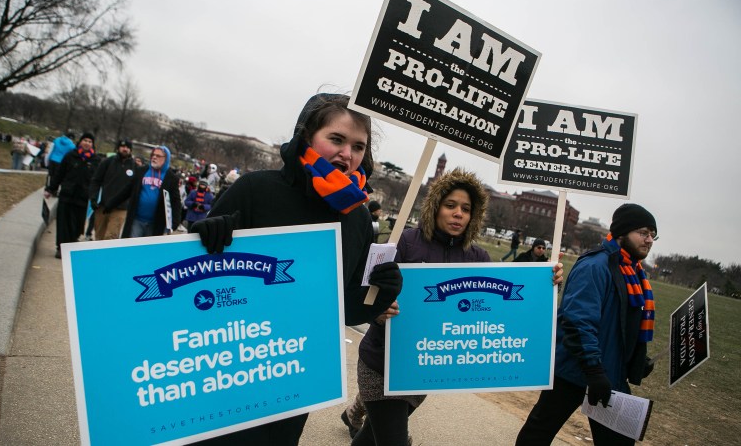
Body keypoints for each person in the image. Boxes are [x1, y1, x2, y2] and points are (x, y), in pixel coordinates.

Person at [190, 93, 403, 446]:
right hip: (227, 365)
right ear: (307, 136)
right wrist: (203, 238)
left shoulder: (358, 218)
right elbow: (189, 279)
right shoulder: (255, 189)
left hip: (293, 374)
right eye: (336, 139)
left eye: (358, 146)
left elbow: (347, 309)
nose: (347, 154)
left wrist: (381, 292)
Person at [349, 169, 563, 446]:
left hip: (425, 368)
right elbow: (369, 292)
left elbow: (503, 307)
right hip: (381, 363)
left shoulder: (478, 257)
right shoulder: (405, 241)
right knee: (393, 439)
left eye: (466, 208)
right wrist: (377, 311)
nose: (458, 213)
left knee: (371, 437)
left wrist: (546, 284)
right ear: (435, 207)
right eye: (450, 205)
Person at [515, 203, 658, 446]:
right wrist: (594, 371)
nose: (649, 240)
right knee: (538, 433)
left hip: (611, 374)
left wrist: (635, 357)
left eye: (653, 235)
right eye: (643, 233)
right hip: (574, 370)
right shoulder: (595, 266)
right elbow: (578, 321)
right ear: (622, 232)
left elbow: (621, 324)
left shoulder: (633, 272)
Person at [44, 133, 100, 258]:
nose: (87, 143)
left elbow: (98, 180)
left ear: (92, 145)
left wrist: (95, 196)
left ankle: (71, 246)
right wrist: (50, 189)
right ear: (80, 142)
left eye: (90, 141)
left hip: (82, 198)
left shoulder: (96, 160)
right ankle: (61, 248)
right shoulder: (70, 156)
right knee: (63, 223)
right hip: (67, 195)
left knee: (77, 225)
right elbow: (59, 174)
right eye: (85, 140)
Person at [104, 146, 181, 238]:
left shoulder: (171, 178)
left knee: (148, 246)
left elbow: (176, 201)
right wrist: (111, 204)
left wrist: (175, 222)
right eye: (153, 155)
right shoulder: (142, 171)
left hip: (155, 223)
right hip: (136, 219)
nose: (154, 157)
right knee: (132, 244)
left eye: (158, 156)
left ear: (166, 159)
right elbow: (127, 190)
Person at [88, 139, 135, 240]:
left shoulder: (134, 166)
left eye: (127, 147)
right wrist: (93, 198)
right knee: (99, 236)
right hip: (103, 206)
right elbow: (96, 181)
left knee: (111, 237)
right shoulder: (107, 162)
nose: (125, 149)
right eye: (123, 147)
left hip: (121, 208)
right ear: (118, 148)